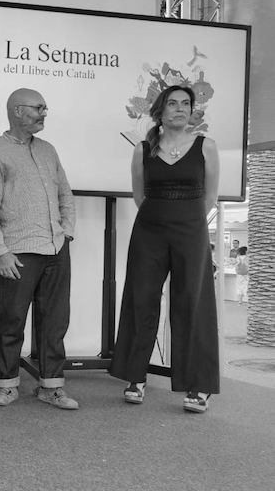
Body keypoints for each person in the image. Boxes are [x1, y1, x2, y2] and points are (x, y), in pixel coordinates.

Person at [110, 85, 220, 414]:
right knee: (140, 299)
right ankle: (135, 377)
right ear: (160, 111)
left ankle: (198, 385)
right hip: (149, 232)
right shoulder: (142, 149)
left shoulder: (206, 146)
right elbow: (139, 194)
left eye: (186, 103)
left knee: (193, 303)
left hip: (191, 231)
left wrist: (185, 218)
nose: (180, 109)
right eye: (173, 103)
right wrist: (162, 216)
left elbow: (210, 197)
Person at [0, 88, 78, 410]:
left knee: (54, 322)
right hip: (17, 253)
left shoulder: (48, 150)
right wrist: (0, 252)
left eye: (45, 108)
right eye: (38, 108)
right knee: (12, 321)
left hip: (56, 249)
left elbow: (65, 195)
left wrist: (67, 233)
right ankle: (7, 385)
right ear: (17, 111)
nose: (44, 113)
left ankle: (51, 387)